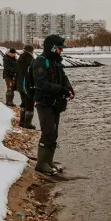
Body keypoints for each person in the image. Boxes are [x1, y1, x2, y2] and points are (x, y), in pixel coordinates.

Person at [31, 35, 74, 175]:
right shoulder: (40, 62)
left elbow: (63, 77)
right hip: (44, 102)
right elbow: (41, 84)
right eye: (59, 48)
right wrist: (61, 90)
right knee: (48, 132)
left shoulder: (55, 61)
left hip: (55, 103)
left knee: (54, 133)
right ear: (53, 48)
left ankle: (49, 161)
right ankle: (41, 164)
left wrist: (69, 89)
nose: (61, 51)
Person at [14, 44, 36, 129]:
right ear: (31, 51)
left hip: (20, 85)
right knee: (30, 103)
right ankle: (27, 123)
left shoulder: (20, 58)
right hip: (27, 85)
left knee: (23, 102)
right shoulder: (30, 59)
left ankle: (22, 122)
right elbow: (32, 73)